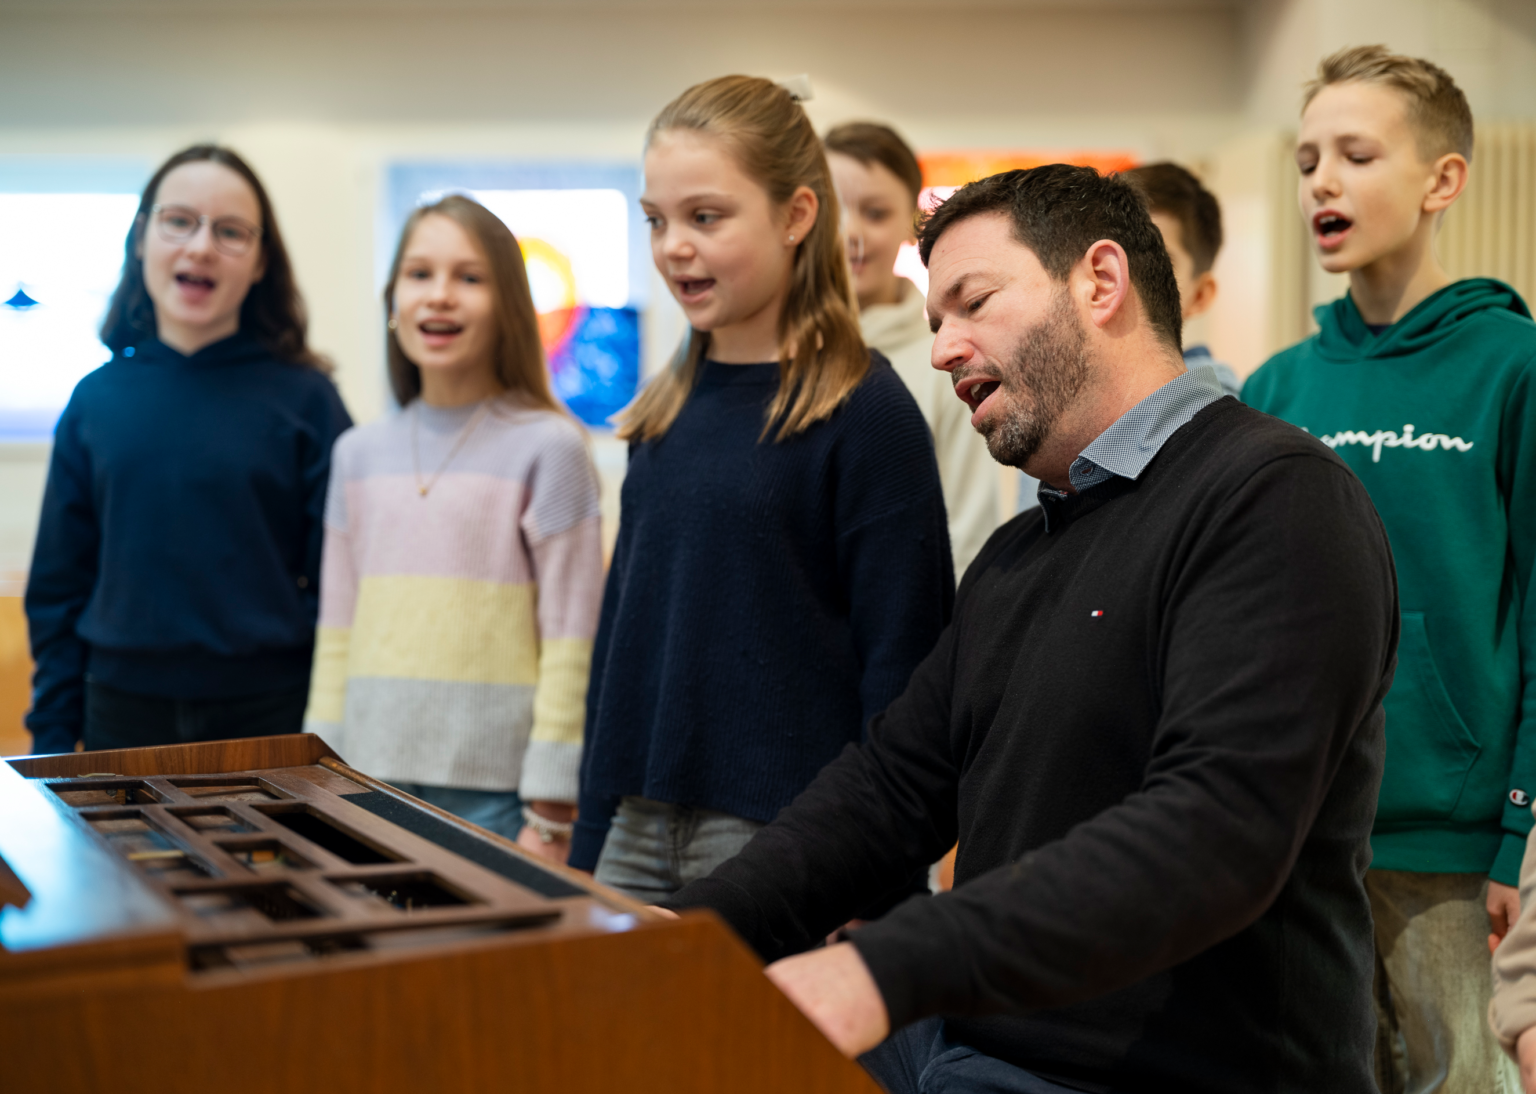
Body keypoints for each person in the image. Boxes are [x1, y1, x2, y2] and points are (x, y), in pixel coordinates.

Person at [658, 163, 1399, 1094]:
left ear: (1100, 280)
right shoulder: (1021, 549)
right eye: (934, 322)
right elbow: (892, 791)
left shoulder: (1274, 499)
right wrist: (687, 932)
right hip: (981, 1048)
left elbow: (1214, 833)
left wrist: (882, 966)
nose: (941, 350)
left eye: (972, 302)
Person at [571, 76, 953, 901]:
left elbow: (906, 672)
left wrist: (875, 871)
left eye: (705, 217)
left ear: (796, 216)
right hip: (634, 825)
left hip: (789, 840)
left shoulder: (866, 410)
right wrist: (589, 836)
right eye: (657, 220)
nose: (674, 245)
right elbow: (624, 647)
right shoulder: (662, 412)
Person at [1243, 45, 1536, 1093]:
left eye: (1357, 154)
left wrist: (1516, 834)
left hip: (1456, 849)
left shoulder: (1514, 366)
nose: (1322, 178)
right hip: (1303, 833)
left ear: (1443, 180)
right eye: (1310, 156)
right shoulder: (1279, 384)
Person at [25, 144, 352, 755]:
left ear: (259, 264)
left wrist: (323, 714)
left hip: (275, 714)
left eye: (230, 231)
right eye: (180, 221)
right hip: (118, 714)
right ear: (142, 238)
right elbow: (58, 586)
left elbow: (341, 583)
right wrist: (50, 732)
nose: (201, 246)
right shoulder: (95, 400)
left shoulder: (310, 401)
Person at [303, 195, 600, 858]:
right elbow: (337, 633)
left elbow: (572, 642)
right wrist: (315, 771)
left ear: (509, 307)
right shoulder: (357, 454)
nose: (440, 297)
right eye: (419, 274)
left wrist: (551, 812)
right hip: (360, 782)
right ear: (392, 301)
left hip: (496, 799)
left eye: (469, 278)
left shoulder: (550, 447)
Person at [825, 122, 999, 575]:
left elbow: (966, 534)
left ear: (910, 225)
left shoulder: (946, 364)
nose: (851, 233)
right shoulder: (767, 353)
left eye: (876, 213)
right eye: (833, 210)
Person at [1122, 161, 1241, 397]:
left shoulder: (1207, 399)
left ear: (1199, 296)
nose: (1120, 279)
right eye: (1104, 257)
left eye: (1153, 264)